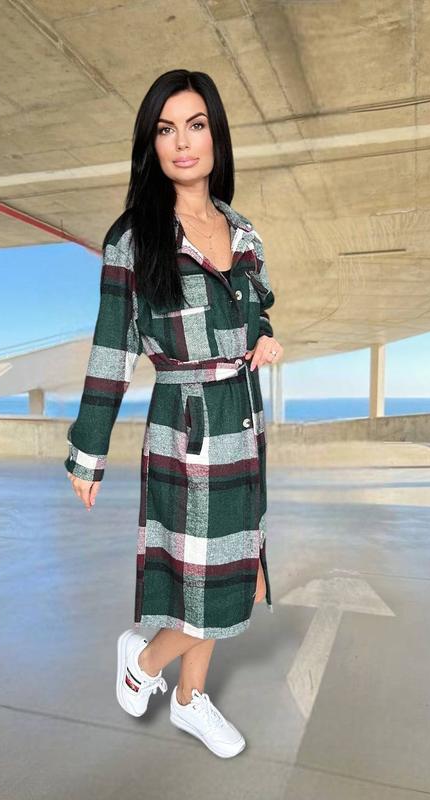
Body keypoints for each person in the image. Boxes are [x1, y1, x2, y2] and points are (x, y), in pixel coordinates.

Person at [65, 69, 283, 758]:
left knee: (235, 573)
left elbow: (257, 308)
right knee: (210, 586)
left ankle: (189, 700)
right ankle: (142, 663)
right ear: (151, 144)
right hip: (186, 427)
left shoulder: (243, 233)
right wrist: (88, 451)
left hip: (243, 420)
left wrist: (263, 338)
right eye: (166, 129)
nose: (182, 142)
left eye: (195, 125)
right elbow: (112, 348)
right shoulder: (134, 239)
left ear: (216, 136)